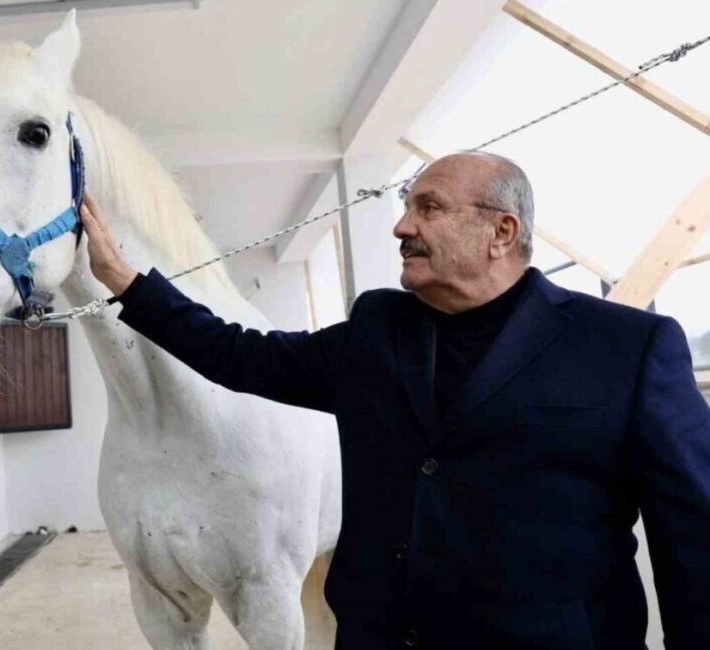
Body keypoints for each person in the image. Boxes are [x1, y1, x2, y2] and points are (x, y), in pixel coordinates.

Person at [79, 152, 710, 649]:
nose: (402, 225)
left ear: (501, 231)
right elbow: (241, 355)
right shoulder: (377, 330)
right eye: (407, 207)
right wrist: (125, 282)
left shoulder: (628, 346)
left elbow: (693, 540)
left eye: (428, 208)